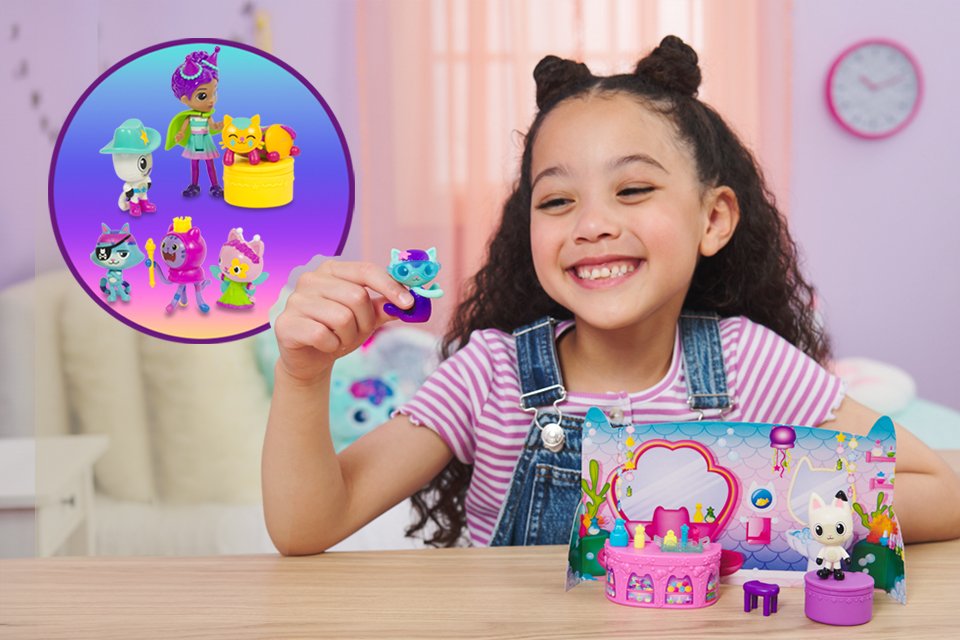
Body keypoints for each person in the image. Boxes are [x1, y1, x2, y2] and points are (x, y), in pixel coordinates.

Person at [262, 36, 960, 555]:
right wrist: (302, 374)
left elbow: (941, 487)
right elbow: (308, 526)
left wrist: (756, 498)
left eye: (633, 189)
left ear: (712, 219)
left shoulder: (750, 364)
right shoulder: (491, 376)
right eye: (557, 199)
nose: (592, 224)